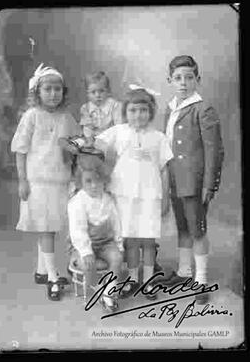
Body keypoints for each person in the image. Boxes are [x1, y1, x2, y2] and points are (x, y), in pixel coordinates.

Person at [11, 63, 81, 301]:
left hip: (60, 182)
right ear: (37, 92)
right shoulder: (31, 116)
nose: (53, 94)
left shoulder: (67, 118)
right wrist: (22, 180)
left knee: (52, 226)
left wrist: (74, 151)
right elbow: (20, 150)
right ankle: (52, 276)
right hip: (38, 182)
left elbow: (75, 147)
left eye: (58, 89)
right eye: (48, 89)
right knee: (46, 228)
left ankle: (42, 271)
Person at [94, 88, 174, 299]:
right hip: (124, 195)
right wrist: (101, 168)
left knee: (147, 240)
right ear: (125, 112)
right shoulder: (119, 131)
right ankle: (131, 279)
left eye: (143, 110)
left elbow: (165, 169)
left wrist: (166, 197)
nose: (138, 115)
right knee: (130, 240)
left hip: (150, 196)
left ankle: (147, 281)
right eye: (133, 110)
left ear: (151, 112)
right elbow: (96, 145)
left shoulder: (158, 137)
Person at [162, 55, 224, 304]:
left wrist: (209, 184)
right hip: (175, 180)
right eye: (178, 78)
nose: (183, 83)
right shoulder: (170, 108)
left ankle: (201, 280)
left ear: (198, 79)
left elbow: (214, 150)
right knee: (182, 228)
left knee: (197, 230)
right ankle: (184, 272)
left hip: (195, 183)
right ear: (170, 81)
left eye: (189, 77)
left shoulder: (203, 109)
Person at [67, 154, 124, 312]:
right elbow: (77, 230)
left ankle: (108, 292)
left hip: (105, 243)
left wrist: (119, 244)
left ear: (104, 180)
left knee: (117, 258)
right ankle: (95, 288)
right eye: (88, 181)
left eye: (97, 180)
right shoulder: (78, 202)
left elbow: (116, 223)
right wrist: (86, 251)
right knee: (88, 263)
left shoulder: (108, 200)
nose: (94, 186)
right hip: (84, 245)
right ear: (80, 182)